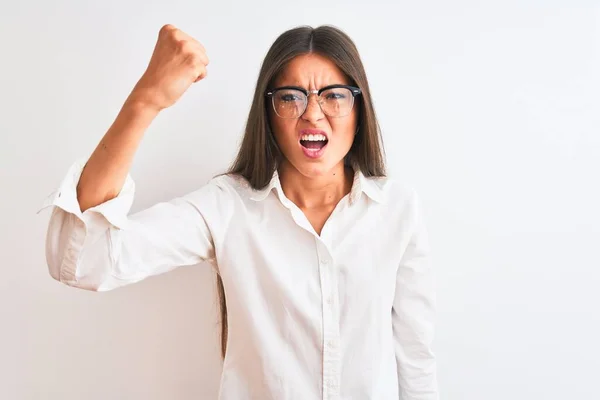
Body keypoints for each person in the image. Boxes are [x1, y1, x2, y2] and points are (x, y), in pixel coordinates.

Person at [40, 24, 438, 400]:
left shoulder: (398, 210)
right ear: (268, 115)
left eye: (334, 95)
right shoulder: (226, 207)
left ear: (359, 109)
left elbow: (415, 358)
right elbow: (82, 263)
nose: (313, 114)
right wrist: (146, 100)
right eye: (290, 97)